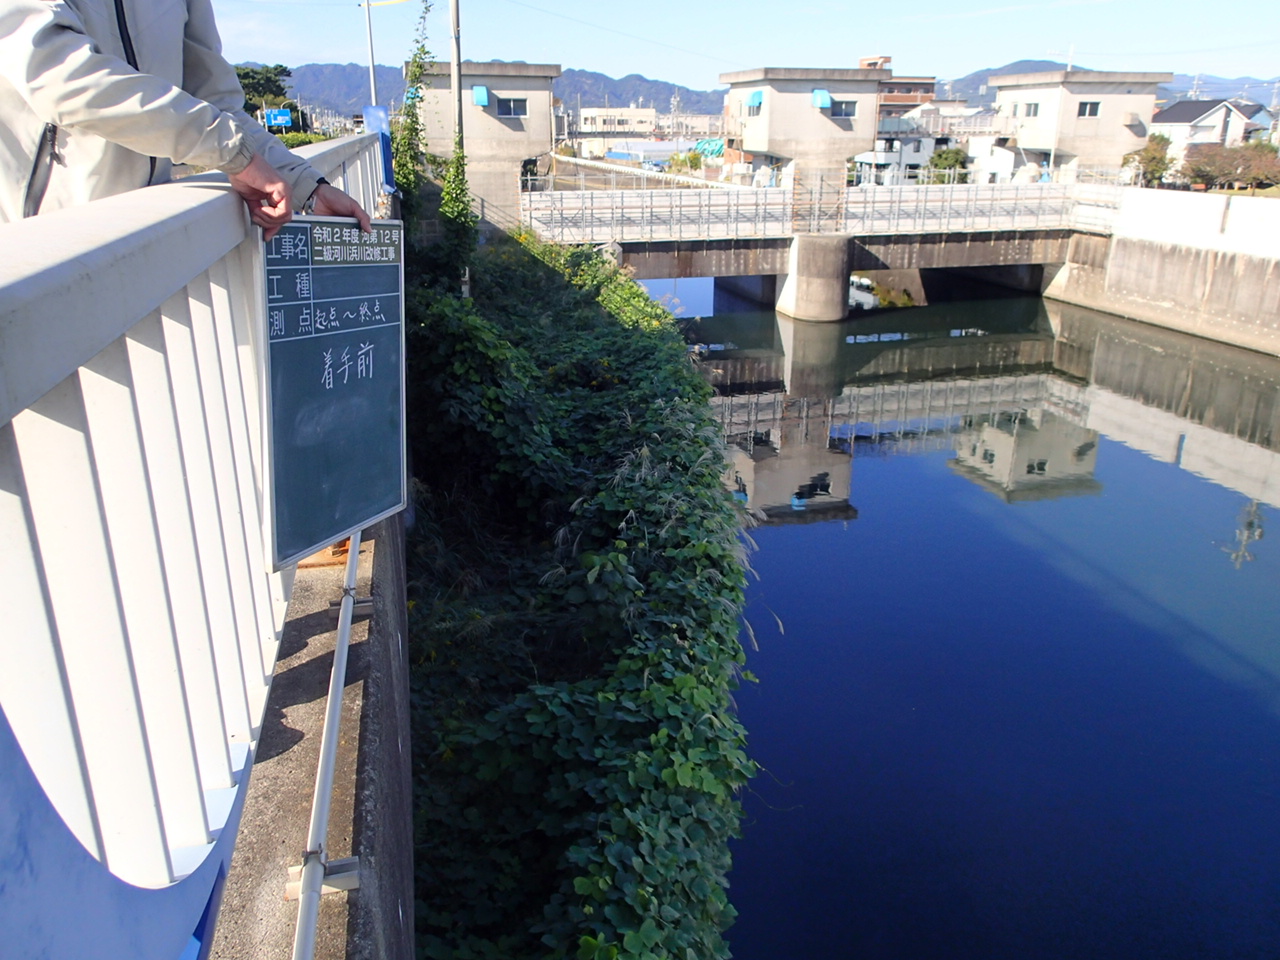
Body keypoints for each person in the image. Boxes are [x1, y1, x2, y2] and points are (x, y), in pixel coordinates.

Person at [0, 0, 370, 238]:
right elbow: (59, 77)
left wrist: (307, 187)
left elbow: (215, 100)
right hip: (38, 242)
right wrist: (225, 149)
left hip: (143, 232)